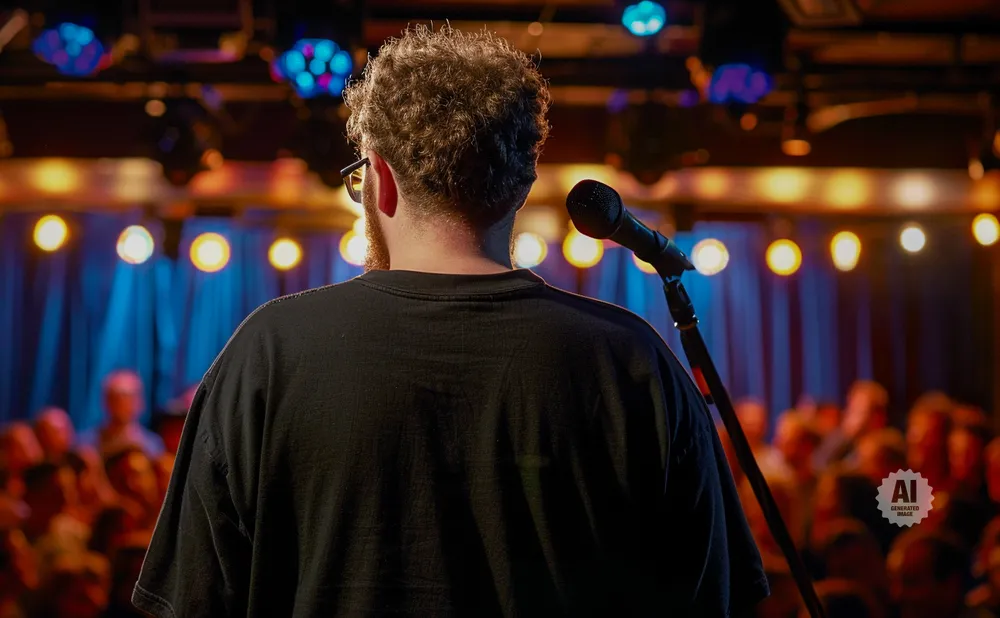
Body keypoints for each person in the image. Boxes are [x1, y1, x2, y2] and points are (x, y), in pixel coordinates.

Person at [134, 25, 768, 618]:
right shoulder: (635, 362)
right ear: (521, 186)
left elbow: (195, 600)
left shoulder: (266, 354)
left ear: (379, 179)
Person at [78, 371, 164, 460]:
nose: (122, 405)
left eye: (128, 397)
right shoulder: (85, 443)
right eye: (115, 398)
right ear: (105, 401)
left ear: (140, 402)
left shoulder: (153, 446)